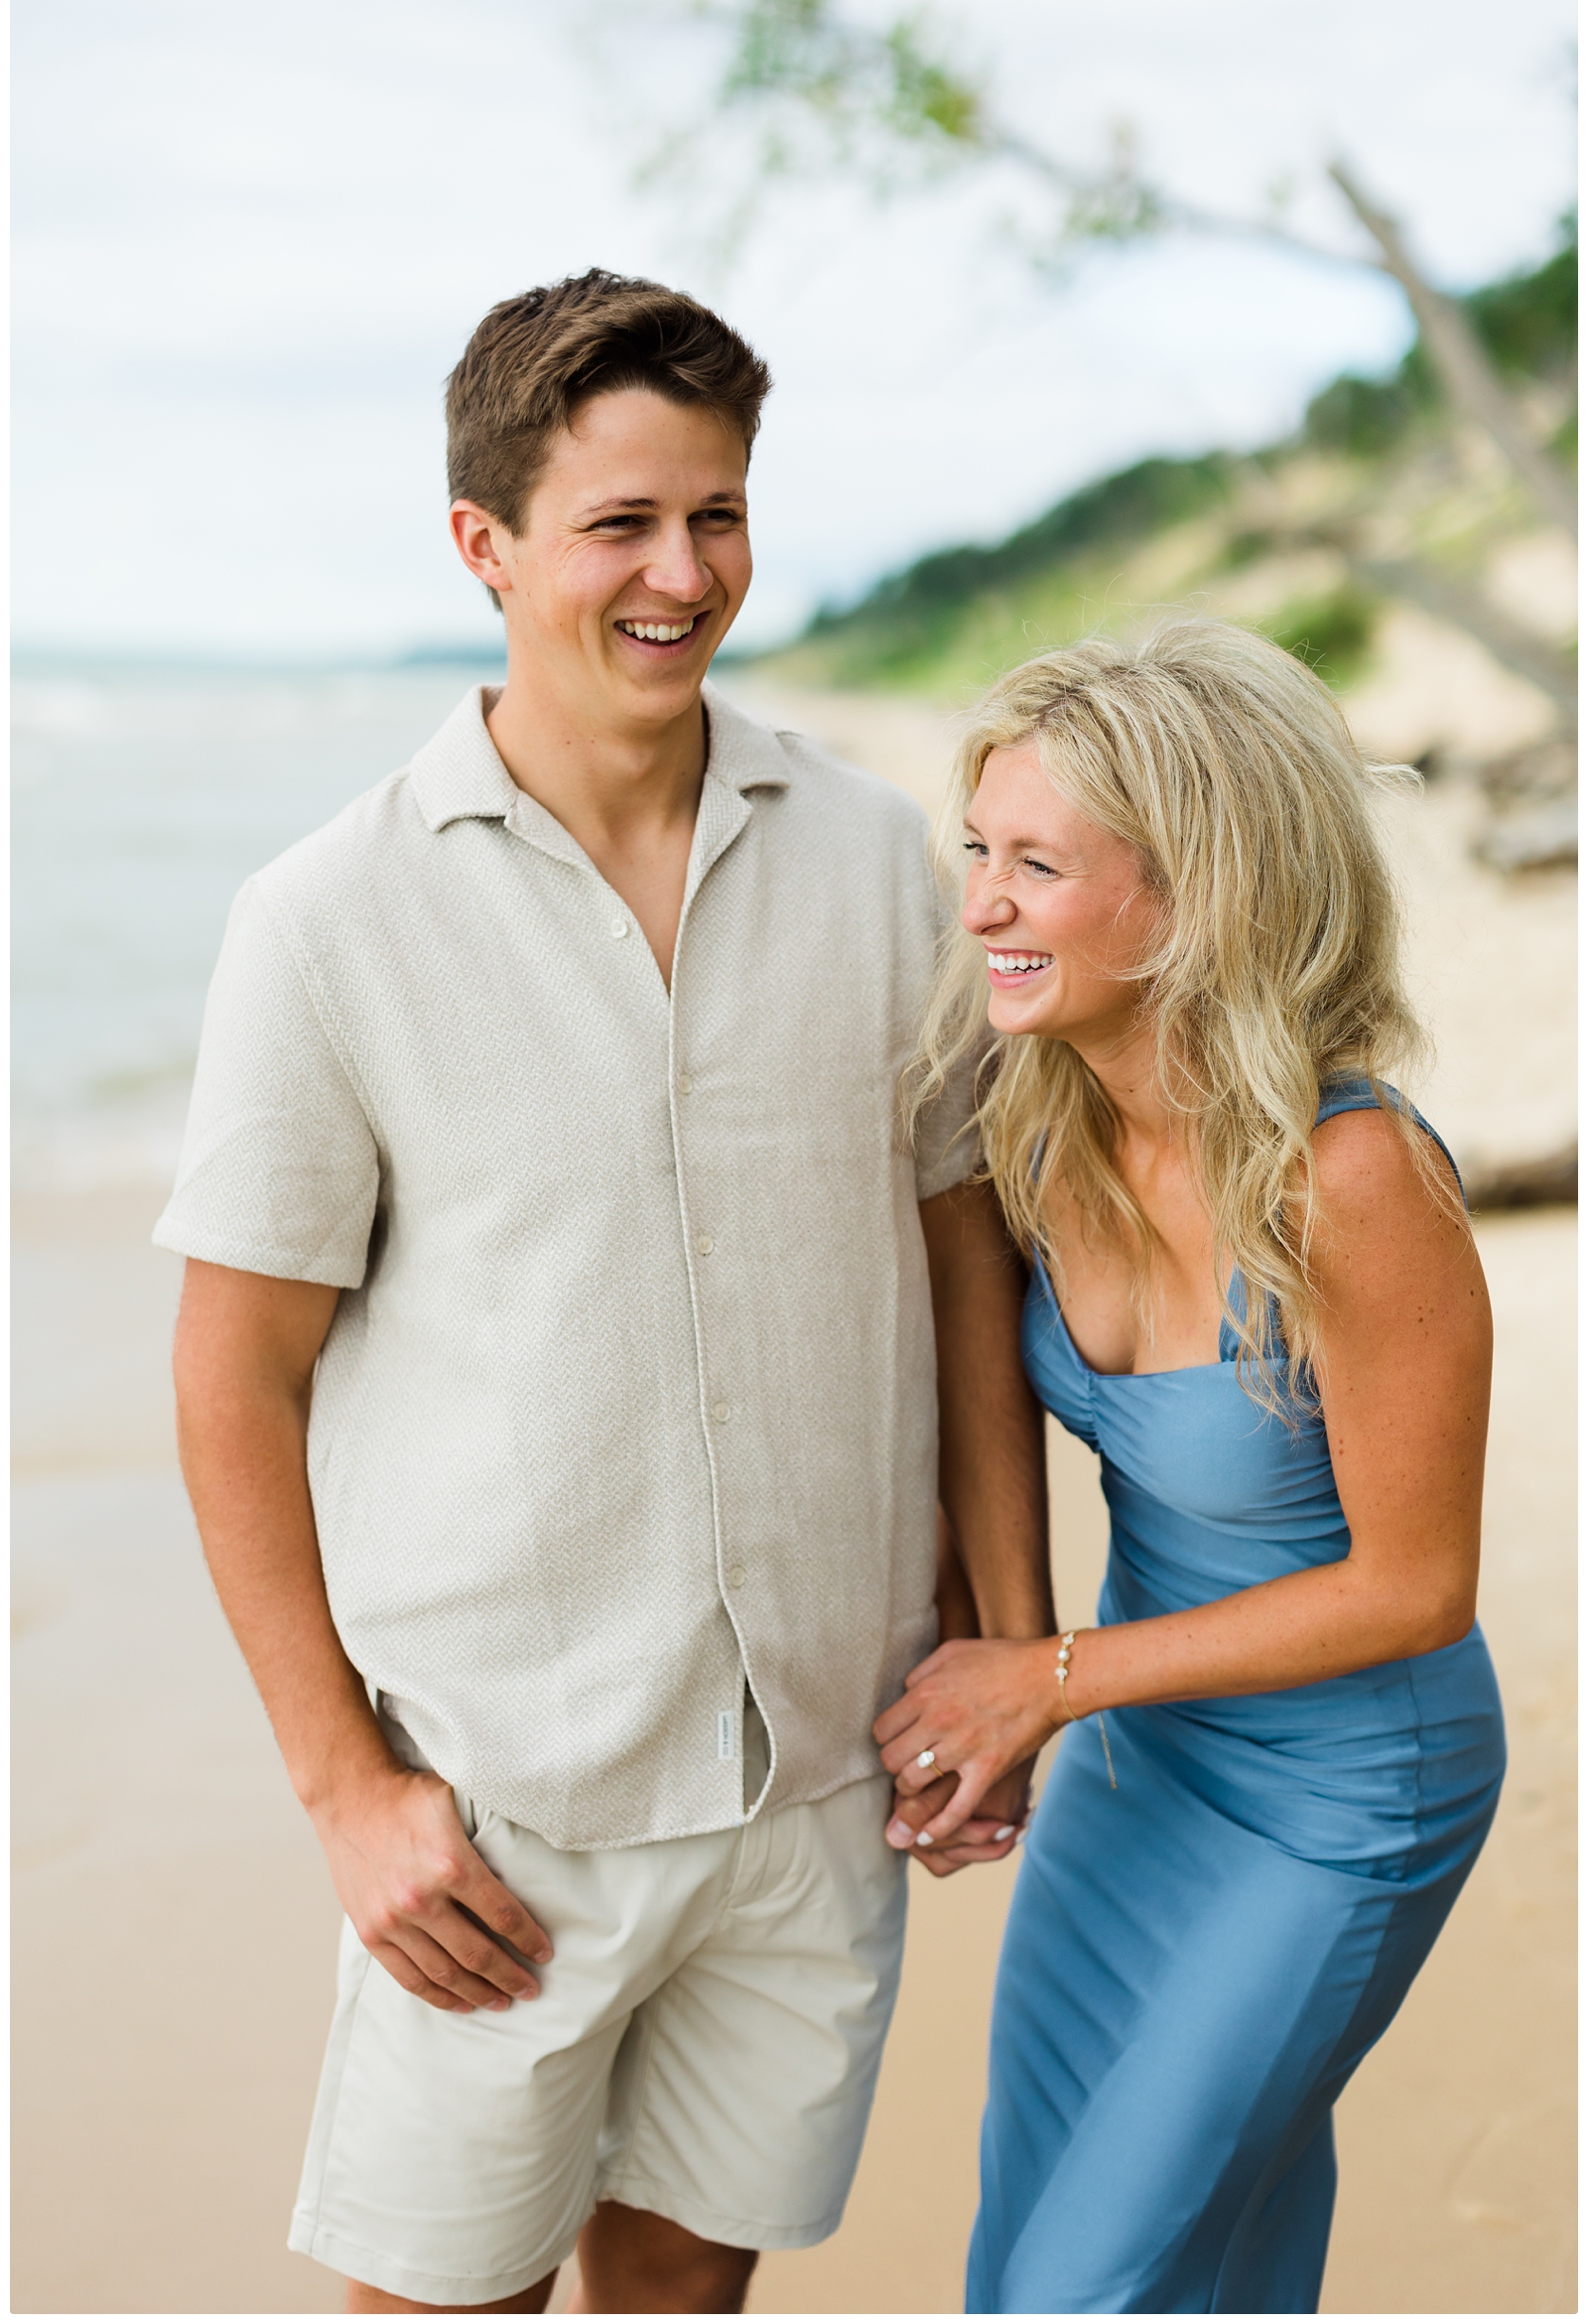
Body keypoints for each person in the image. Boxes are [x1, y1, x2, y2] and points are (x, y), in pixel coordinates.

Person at [156, 269, 1050, 2317]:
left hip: (818, 1778)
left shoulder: (865, 855)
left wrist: (1011, 1635)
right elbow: (232, 1378)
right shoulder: (325, 920)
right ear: (481, 546)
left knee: (679, 2300)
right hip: (501, 1821)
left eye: (715, 514)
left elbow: (955, 1247)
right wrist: (345, 1793)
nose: (679, 573)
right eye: (619, 525)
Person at [873, 620, 1507, 2314]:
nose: (984, 904)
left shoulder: (1351, 1176)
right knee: (1051, 2245)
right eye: (978, 854)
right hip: (1138, 1769)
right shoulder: (1036, 1107)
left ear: (1194, 891)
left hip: (1348, 1793)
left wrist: (1047, 1676)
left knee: (1097, 2283)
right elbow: (969, 1363)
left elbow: (1417, 1583)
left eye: (1039, 866)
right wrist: (1003, 1655)